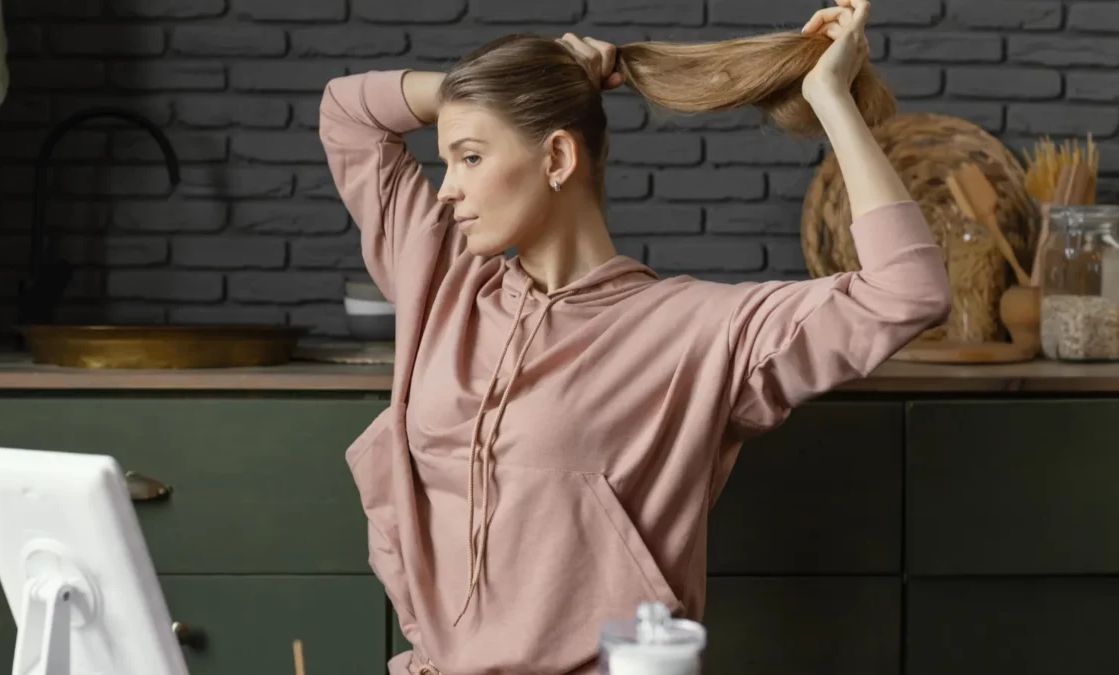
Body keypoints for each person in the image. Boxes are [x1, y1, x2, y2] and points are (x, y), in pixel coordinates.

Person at [318, 1, 951, 673]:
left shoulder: (697, 333)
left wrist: (831, 99)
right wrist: (487, 90)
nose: (447, 189)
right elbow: (348, 113)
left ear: (557, 156)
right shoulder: (444, 281)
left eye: (469, 157)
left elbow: (907, 291)